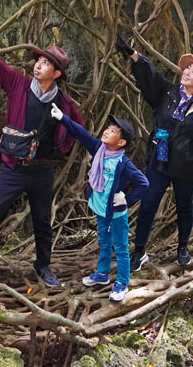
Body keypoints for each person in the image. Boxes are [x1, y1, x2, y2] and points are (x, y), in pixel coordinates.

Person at [0, 16, 83, 288]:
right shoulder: (17, 84)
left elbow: (77, 126)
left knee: (42, 223)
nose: (38, 65)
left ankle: (43, 266)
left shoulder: (64, 103)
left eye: (45, 63)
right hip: (13, 169)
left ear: (56, 74)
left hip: (42, 171)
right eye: (38, 61)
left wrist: (60, 149)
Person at [115, 34, 193, 269]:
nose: (186, 72)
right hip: (159, 162)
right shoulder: (167, 93)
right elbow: (151, 77)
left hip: (185, 167)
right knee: (149, 204)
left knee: (184, 206)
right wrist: (133, 55)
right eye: (188, 69)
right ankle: (139, 251)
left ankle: (183, 246)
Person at [50, 105, 148, 301]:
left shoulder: (124, 163)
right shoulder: (99, 149)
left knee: (120, 247)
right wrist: (63, 118)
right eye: (108, 127)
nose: (106, 131)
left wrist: (126, 199)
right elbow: (81, 133)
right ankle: (102, 274)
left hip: (117, 213)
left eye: (113, 131)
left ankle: (122, 282)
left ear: (121, 142)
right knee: (103, 241)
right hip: (100, 208)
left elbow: (144, 183)